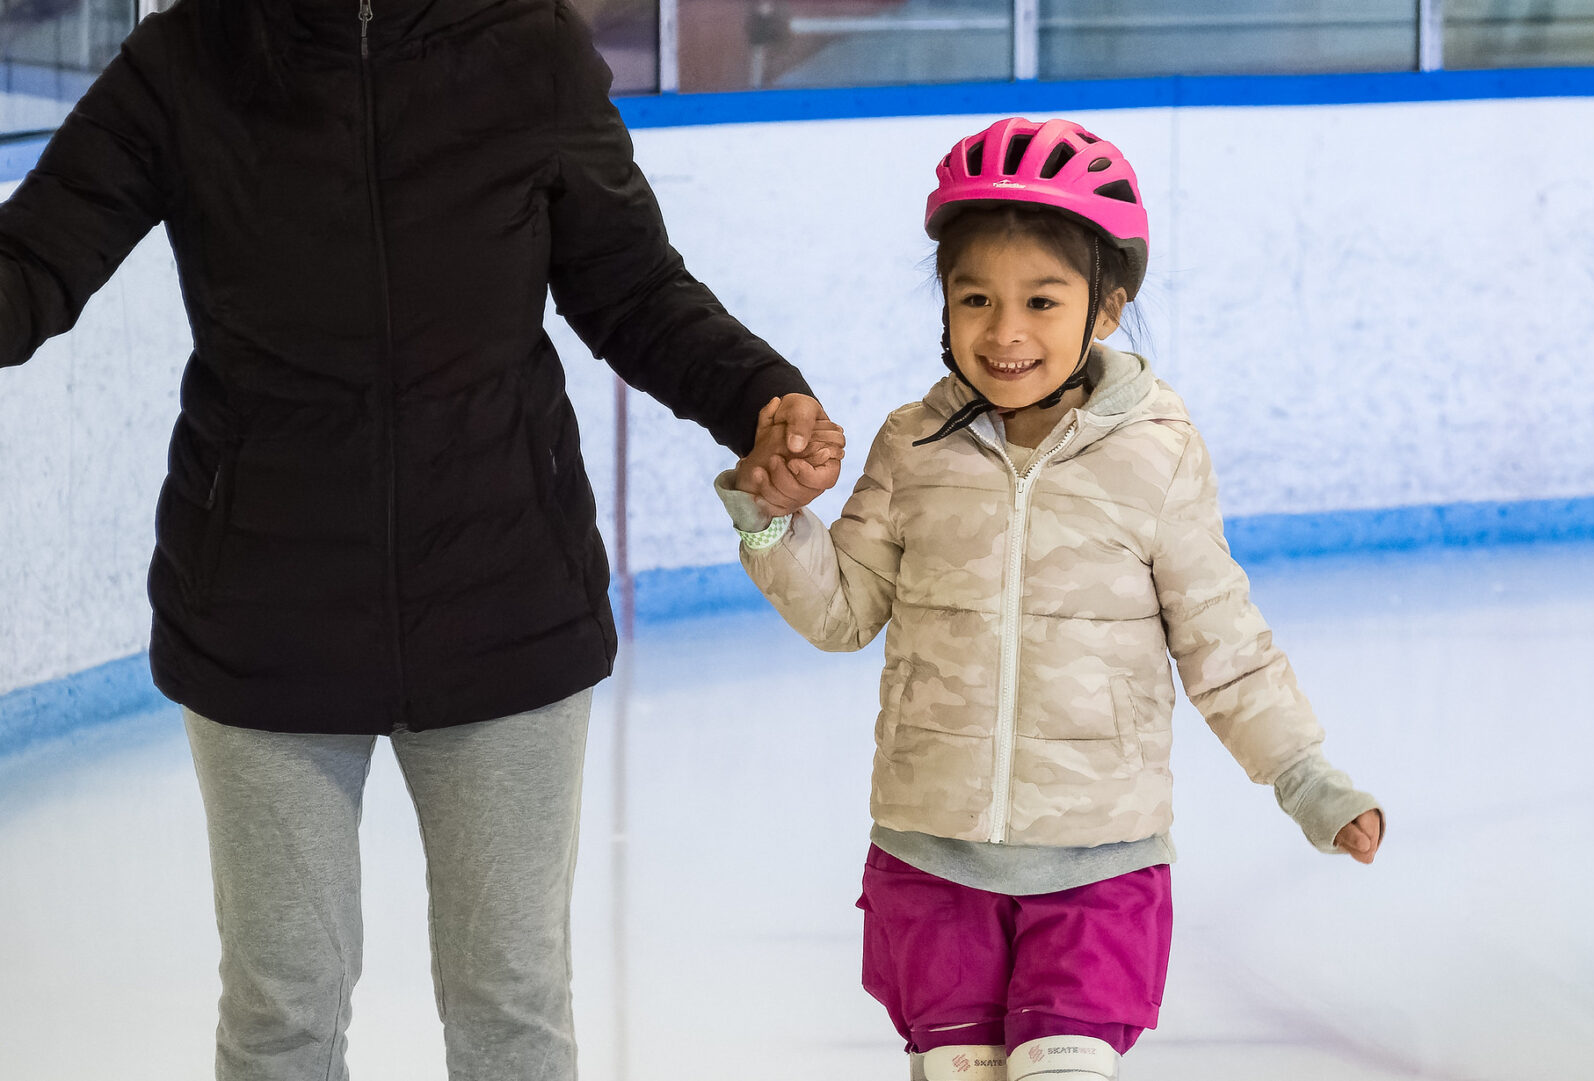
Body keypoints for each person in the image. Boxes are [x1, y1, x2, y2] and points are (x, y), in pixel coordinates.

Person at [0, 0, 842, 1078]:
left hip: (506, 597)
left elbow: (632, 286)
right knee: (282, 1016)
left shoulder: (528, 46)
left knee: (510, 1010)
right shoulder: (192, 55)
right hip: (264, 609)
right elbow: (32, 264)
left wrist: (757, 395)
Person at [716, 117, 1384, 1081]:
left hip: (1098, 862)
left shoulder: (1157, 453)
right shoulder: (912, 446)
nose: (1005, 331)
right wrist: (772, 522)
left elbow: (1223, 641)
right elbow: (844, 611)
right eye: (975, 298)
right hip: (931, 857)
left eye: (1041, 299)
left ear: (1107, 308)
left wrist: (1306, 778)